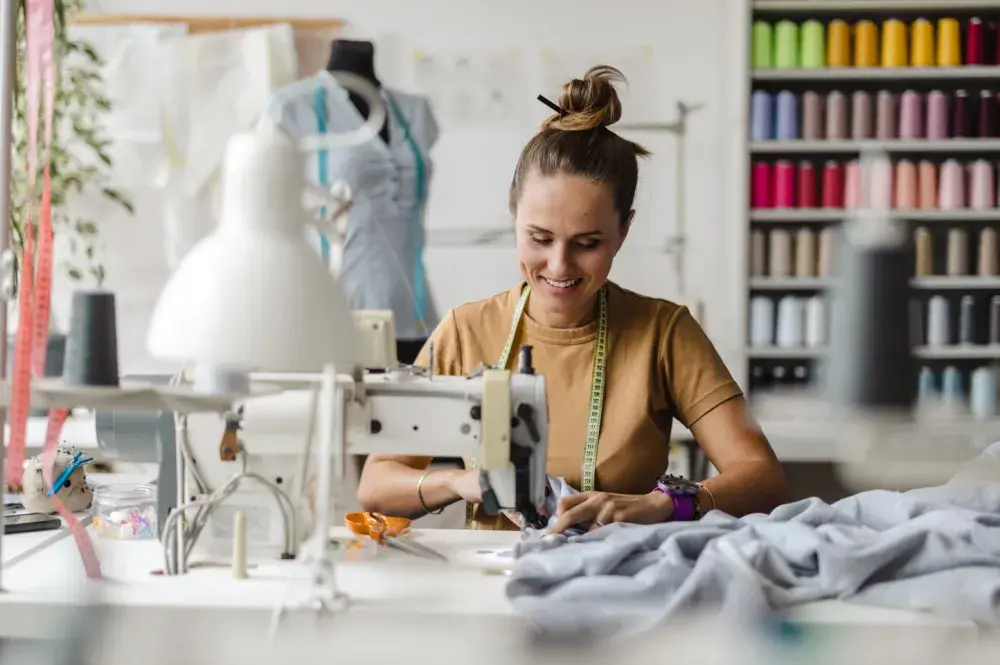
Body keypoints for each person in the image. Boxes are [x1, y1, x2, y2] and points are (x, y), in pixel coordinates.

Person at [356, 65, 788, 532]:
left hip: (621, 576)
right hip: (493, 582)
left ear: (624, 230)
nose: (559, 267)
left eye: (587, 244)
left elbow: (762, 478)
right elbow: (376, 483)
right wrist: (459, 483)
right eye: (539, 238)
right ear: (513, 217)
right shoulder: (466, 329)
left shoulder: (664, 333)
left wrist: (665, 504)